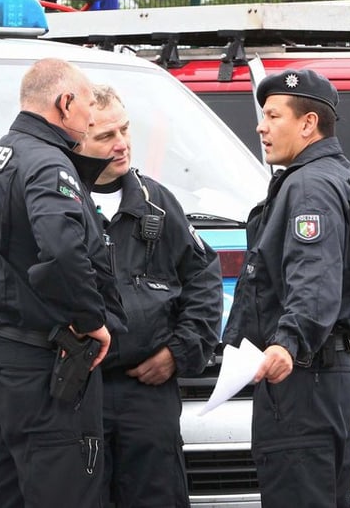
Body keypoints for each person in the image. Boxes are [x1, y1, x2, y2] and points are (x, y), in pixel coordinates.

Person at [0, 58, 125, 508]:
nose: (91, 117)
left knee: (2, 492)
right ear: (64, 102)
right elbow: (63, 250)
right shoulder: (49, 164)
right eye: (88, 105)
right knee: (66, 491)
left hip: (1, 352)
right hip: (44, 362)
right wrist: (91, 319)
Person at [221, 68, 350, 508]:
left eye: (273, 116)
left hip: (304, 380)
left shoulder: (310, 185)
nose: (261, 126)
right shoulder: (347, 178)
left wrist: (288, 344)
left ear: (308, 123)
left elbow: (314, 279)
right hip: (334, 376)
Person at [75, 84, 223, 508]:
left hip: (148, 392)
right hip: (82, 392)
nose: (121, 144)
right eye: (105, 136)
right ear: (77, 140)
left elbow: (203, 276)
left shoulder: (155, 201)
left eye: (125, 130)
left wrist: (181, 351)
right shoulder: (60, 200)